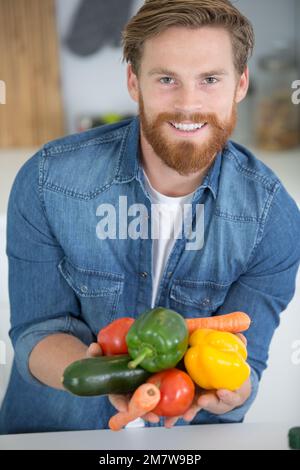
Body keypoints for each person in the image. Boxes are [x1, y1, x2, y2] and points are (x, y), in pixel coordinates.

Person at [1, 0, 300, 434]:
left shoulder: (273, 220)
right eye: (166, 79)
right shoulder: (48, 182)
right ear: (133, 82)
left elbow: (246, 363)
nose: (187, 105)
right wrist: (108, 377)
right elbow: (35, 330)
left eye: (210, 79)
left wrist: (236, 388)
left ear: (241, 84)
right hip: (56, 432)